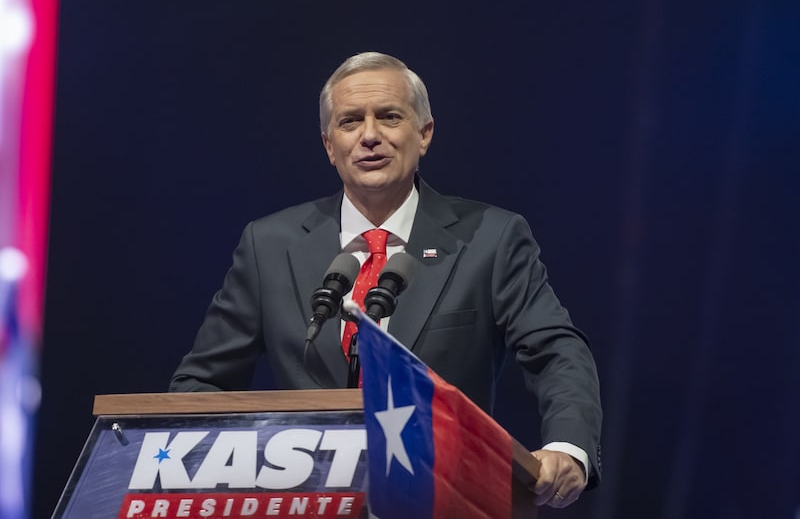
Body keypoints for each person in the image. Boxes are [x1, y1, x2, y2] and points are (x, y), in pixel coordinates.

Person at [170, 52, 602, 508]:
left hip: (442, 504)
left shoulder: (491, 238)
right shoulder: (268, 244)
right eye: (350, 121)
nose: (370, 136)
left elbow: (557, 351)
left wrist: (567, 447)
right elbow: (200, 384)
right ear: (329, 145)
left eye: (389, 117)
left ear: (424, 134)